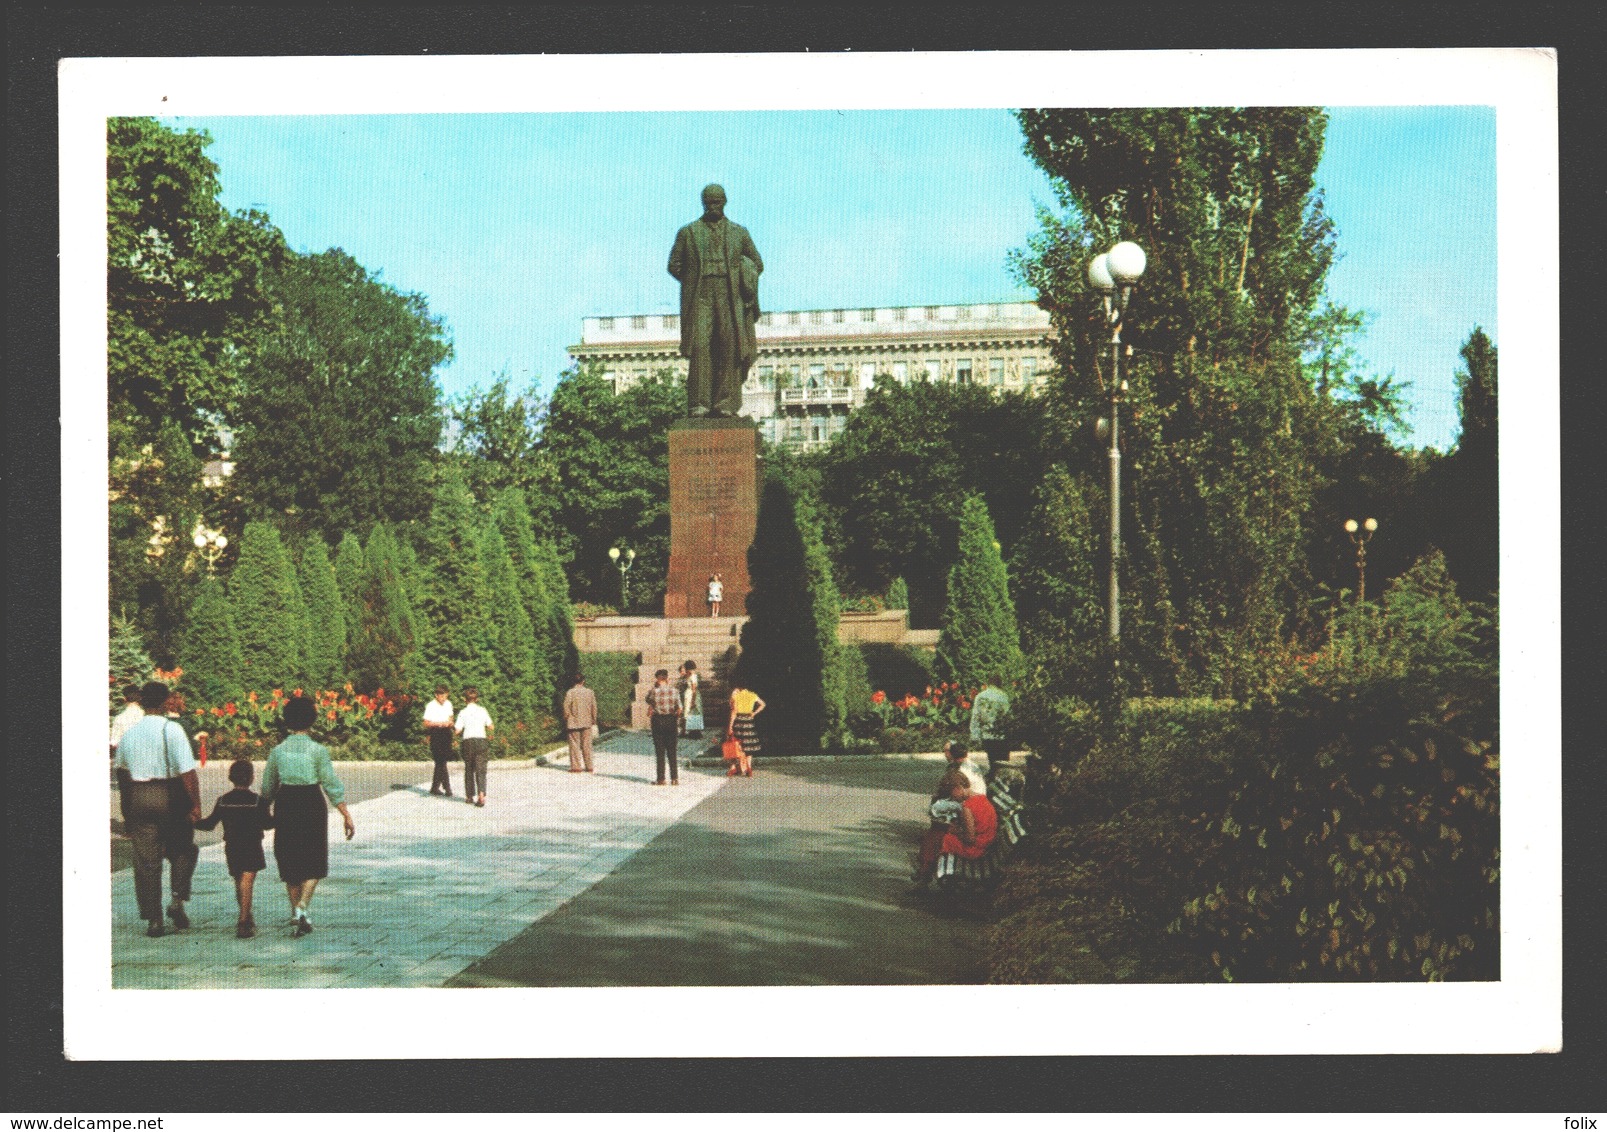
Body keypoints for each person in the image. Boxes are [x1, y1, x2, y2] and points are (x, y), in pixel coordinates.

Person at [113, 681, 201, 938]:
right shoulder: (171, 729)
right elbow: (187, 772)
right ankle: (176, 899)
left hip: (139, 797)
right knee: (184, 848)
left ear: (140, 701)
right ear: (164, 702)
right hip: (169, 794)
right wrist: (195, 803)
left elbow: (122, 772)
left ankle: (153, 919)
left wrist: (127, 811)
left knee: (145, 861)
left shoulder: (130, 733)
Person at [261, 693, 355, 937]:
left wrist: (263, 810)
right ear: (311, 720)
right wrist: (345, 812)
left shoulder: (277, 751)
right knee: (314, 857)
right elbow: (330, 783)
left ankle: (296, 911)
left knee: (289, 857)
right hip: (311, 803)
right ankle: (302, 906)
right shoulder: (318, 751)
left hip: (287, 803)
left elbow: (268, 786)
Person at [667, 183, 764, 418]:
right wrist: (692, 279)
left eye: (717, 202)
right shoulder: (688, 232)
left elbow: (757, 263)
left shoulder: (739, 233)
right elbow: (674, 264)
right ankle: (699, 404)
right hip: (700, 295)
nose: (713, 206)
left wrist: (742, 274)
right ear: (703, 203)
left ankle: (725, 403)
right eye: (709, 202)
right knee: (700, 346)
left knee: (728, 346)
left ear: (724, 202)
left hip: (730, 295)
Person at [194, 758, 274, 938]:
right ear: (252, 778)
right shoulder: (257, 801)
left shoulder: (223, 800)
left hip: (232, 846)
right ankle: (244, 921)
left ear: (231, 777)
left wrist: (192, 822)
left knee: (239, 881)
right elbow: (268, 824)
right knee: (247, 882)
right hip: (252, 845)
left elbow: (209, 824)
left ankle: (246, 915)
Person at [912, 768, 998, 887]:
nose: (952, 798)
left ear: (958, 788)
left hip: (975, 849)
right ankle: (924, 872)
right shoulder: (981, 799)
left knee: (938, 837)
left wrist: (955, 831)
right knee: (937, 834)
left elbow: (970, 839)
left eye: (951, 793)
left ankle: (924, 873)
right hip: (985, 844)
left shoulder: (967, 807)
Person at [455, 686, 493, 807]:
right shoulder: (483, 710)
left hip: (468, 742)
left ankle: (469, 796)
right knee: (481, 769)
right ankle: (481, 794)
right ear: (476, 699)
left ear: (465, 700)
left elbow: (457, 730)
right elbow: (491, 726)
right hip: (481, 740)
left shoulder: (462, 712)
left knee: (469, 769)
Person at [968, 675, 1013, 777]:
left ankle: (993, 780)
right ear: (999, 683)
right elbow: (1008, 715)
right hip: (1002, 735)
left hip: (987, 734)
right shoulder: (1003, 696)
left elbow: (976, 716)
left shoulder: (980, 696)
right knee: (1003, 763)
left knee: (992, 761)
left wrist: (975, 735)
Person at [644, 668, 683, 785]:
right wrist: (674, 716)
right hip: (671, 720)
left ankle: (661, 778)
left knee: (660, 751)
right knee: (672, 751)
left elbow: (648, 700)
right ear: (667, 678)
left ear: (657, 679)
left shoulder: (653, 691)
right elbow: (680, 709)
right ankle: (674, 778)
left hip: (658, 721)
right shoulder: (675, 691)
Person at [726, 684, 765, 777]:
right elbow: (763, 704)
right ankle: (749, 768)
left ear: (738, 688)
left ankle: (733, 767)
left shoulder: (736, 696)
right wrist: (754, 713)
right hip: (749, 721)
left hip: (739, 721)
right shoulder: (752, 695)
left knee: (735, 744)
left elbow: (734, 711)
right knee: (748, 745)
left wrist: (730, 727)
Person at [423, 684, 455, 797]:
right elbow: (426, 722)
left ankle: (434, 787)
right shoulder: (430, 705)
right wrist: (438, 723)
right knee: (440, 760)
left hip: (446, 733)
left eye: (445, 696)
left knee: (442, 761)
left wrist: (450, 723)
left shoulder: (449, 704)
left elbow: (451, 719)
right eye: (442, 696)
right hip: (436, 732)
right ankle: (447, 788)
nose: (444, 699)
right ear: (436, 695)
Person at [562, 672, 598, 773]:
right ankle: (589, 766)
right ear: (583, 681)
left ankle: (576, 767)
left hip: (573, 722)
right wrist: (594, 719)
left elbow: (566, 707)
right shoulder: (589, 692)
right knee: (587, 745)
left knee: (574, 745)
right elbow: (594, 707)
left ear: (573, 681)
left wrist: (566, 717)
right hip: (587, 721)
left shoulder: (570, 692)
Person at [108, 684, 144, 760]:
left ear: (125, 699)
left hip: (126, 761)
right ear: (140, 699)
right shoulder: (146, 716)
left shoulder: (119, 718)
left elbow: (114, 743)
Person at [678, 660, 702, 737]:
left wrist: (693, 701)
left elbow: (694, 689)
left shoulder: (693, 676)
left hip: (691, 695)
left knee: (692, 712)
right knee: (688, 712)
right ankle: (686, 730)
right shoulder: (690, 675)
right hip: (688, 694)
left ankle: (692, 731)